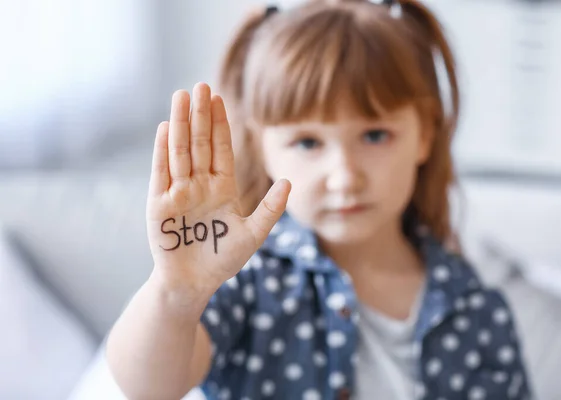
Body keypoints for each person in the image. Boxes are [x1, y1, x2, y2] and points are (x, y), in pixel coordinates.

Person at [106, 1, 532, 399]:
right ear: (262, 147)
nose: (345, 175)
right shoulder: (244, 282)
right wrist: (177, 293)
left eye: (375, 135)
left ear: (424, 134)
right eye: (308, 142)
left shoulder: (477, 309)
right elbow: (150, 388)